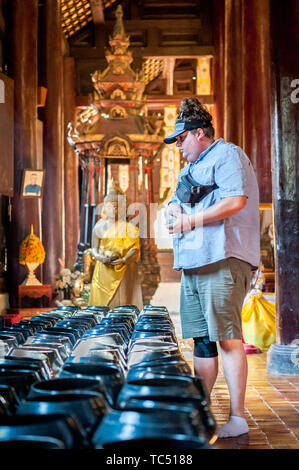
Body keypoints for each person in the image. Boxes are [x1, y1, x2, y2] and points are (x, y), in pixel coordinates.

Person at [164, 97, 260, 438]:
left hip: (223, 258)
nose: (178, 147)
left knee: (227, 338)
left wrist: (190, 220)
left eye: (180, 139)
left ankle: (238, 416)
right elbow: (176, 202)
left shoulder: (227, 155)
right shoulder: (187, 169)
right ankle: (201, 412)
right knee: (202, 341)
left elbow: (236, 201)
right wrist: (175, 213)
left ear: (199, 133)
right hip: (193, 261)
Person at [88, 181, 143, 310]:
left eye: (115, 207)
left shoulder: (129, 228)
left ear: (121, 208)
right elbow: (94, 249)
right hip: (104, 268)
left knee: (121, 302)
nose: (112, 210)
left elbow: (135, 249)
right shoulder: (99, 226)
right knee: (103, 306)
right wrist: (99, 257)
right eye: (109, 206)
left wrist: (124, 259)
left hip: (122, 268)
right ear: (104, 207)